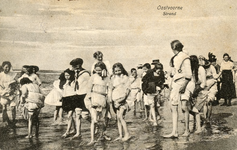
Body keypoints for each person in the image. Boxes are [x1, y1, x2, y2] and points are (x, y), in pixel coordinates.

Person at [163, 40, 192, 138]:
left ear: (173, 48)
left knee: (183, 107)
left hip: (183, 83)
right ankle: (175, 131)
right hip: (178, 83)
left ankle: (186, 130)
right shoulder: (178, 57)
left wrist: (184, 85)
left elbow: (189, 74)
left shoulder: (184, 57)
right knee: (174, 107)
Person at [85, 62, 111, 145]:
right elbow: (88, 89)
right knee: (94, 120)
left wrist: (109, 99)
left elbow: (109, 89)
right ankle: (92, 139)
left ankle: (102, 135)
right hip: (94, 98)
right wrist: (89, 99)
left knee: (104, 119)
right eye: (96, 70)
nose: (98, 72)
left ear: (104, 69)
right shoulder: (93, 77)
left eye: (100, 70)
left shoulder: (107, 78)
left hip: (103, 99)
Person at [108, 62, 131, 141]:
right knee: (118, 118)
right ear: (113, 71)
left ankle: (127, 134)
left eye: (119, 70)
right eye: (116, 71)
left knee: (121, 116)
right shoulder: (113, 78)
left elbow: (128, 89)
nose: (117, 72)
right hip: (115, 99)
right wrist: (110, 99)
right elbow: (110, 88)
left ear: (122, 69)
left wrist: (123, 98)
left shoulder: (125, 77)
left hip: (122, 99)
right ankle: (121, 135)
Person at [70, 58, 90, 139]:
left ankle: (95, 125)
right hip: (77, 95)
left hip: (84, 96)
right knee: (77, 115)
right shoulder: (76, 73)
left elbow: (90, 85)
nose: (73, 67)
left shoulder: (86, 74)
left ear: (78, 65)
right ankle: (78, 133)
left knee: (85, 116)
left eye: (74, 66)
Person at [189, 55, 206, 133]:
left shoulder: (201, 69)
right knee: (192, 110)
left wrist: (196, 91)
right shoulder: (191, 69)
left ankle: (199, 128)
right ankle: (194, 126)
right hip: (193, 92)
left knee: (196, 110)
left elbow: (203, 83)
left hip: (200, 91)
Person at [199, 57, 218, 122]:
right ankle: (205, 117)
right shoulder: (200, 68)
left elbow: (215, 76)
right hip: (204, 85)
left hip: (212, 85)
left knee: (209, 101)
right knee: (204, 102)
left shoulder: (211, 67)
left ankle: (208, 118)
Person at [0, 61, 18, 127]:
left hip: (12, 93)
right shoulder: (0, 75)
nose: (7, 69)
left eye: (8, 67)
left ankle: (13, 120)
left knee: (13, 107)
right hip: (3, 93)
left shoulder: (13, 74)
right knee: (4, 108)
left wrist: (14, 88)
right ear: (3, 67)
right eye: (6, 67)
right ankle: (5, 121)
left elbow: (18, 82)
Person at [61, 69, 77, 138]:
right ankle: (74, 129)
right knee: (72, 116)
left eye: (68, 75)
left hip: (72, 99)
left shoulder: (74, 82)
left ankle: (67, 132)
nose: (66, 77)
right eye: (65, 75)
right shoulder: (65, 81)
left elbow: (75, 90)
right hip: (66, 99)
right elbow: (64, 90)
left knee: (69, 116)